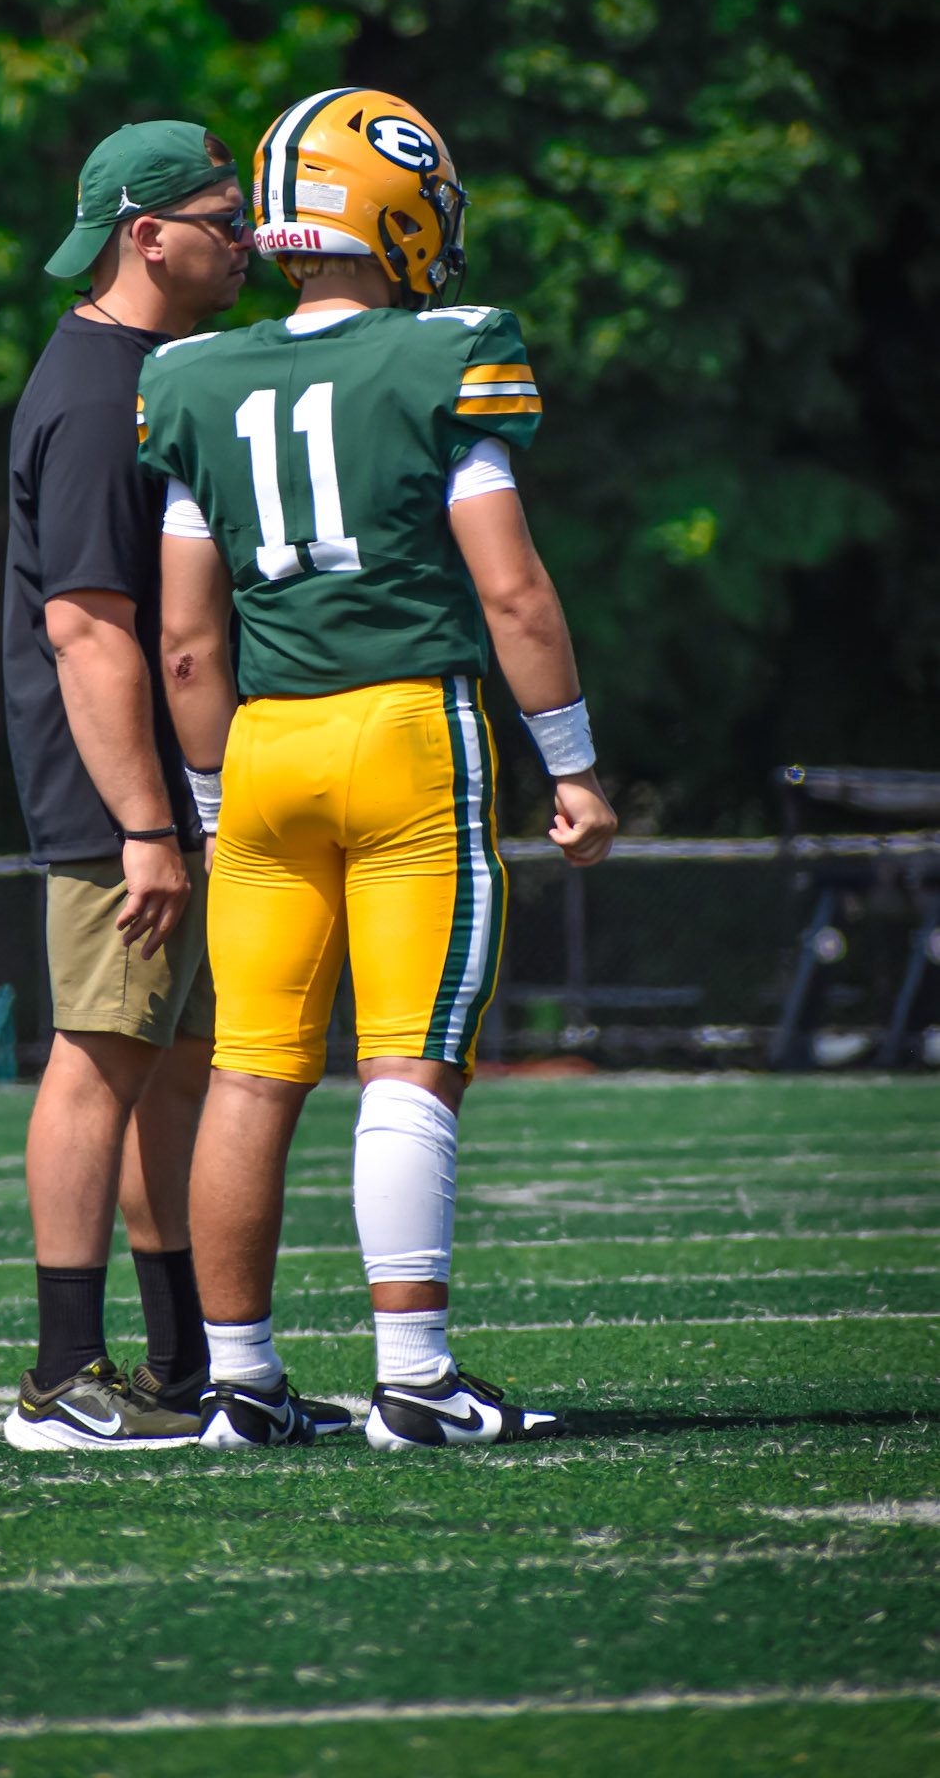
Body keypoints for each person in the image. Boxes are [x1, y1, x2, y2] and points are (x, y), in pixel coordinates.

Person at [138, 86, 618, 1452]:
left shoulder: (190, 378)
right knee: (407, 1064)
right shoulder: (446, 354)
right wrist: (573, 764)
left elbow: (186, 643)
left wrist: (215, 799)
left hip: (263, 747)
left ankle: (242, 1384)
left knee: (251, 1069)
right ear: (394, 211)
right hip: (408, 733)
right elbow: (512, 593)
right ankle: (414, 1377)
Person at [0, 119, 252, 1451]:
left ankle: (180, 1371)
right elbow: (87, 630)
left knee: (171, 1069)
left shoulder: (146, 370)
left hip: (160, 797)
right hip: (122, 799)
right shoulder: (104, 393)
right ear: (147, 236)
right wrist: (147, 823)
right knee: (98, 1058)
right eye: (226, 220)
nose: (250, 242)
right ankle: (59, 1377)